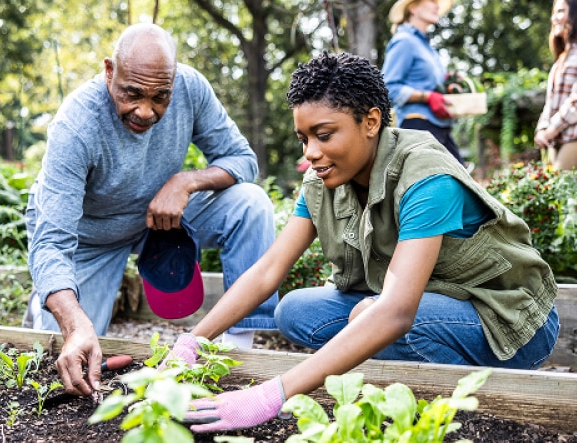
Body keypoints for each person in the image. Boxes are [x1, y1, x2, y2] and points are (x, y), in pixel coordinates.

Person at [169, 52, 559, 433]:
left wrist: (274, 393)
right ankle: (400, 370)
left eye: (324, 135)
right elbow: (269, 270)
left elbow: (395, 313)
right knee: (295, 311)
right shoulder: (323, 181)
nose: (311, 153)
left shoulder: (426, 175)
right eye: (304, 138)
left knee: (381, 321)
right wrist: (193, 340)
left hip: (508, 321)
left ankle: (475, 404)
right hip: (429, 302)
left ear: (371, 121)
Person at [25, 23, 278, 396]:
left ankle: (239, 353)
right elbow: (50, 243)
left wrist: (185, 181)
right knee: (59, 361)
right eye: (132, 94)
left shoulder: (190, 88)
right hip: (90, 237)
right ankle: (43, 312)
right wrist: (74, 323)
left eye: (161, 97)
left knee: (251, 203)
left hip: (160, 219)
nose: (145, 111)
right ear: (110, 71)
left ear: (174, 81)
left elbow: (242, 159)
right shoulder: (76, 124)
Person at [381, 0, 465, 165]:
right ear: (413, 8)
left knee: (463, 183)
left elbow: (430, 85)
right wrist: (426, 97)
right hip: (418, 127)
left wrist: (448, 82)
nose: (437, 5)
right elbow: (388, 89)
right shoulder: (404, 41)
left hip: (439, 128)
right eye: (432, 0)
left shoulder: (426, 47)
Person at [535, 0, 577, 170]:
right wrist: (542, 129)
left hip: (573, 136)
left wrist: (551, 129)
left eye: (561, 11)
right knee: (551, 191)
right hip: (555, 138)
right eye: (554, 12)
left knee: (559, 188)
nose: (555, 18)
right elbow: (550, 102)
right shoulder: (561, 59)